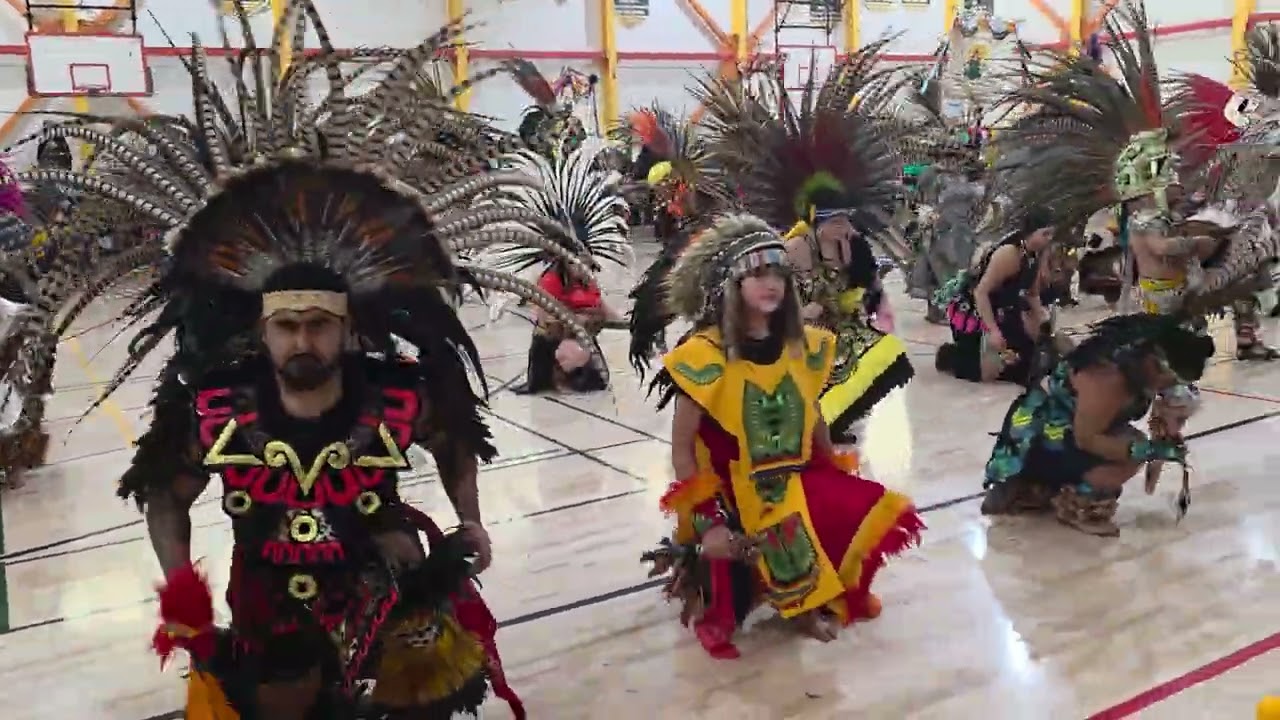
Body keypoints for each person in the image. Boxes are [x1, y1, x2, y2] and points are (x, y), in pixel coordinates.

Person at [31, 5, 614, 717]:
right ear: (262, 331)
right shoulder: (215, 410)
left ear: (347, 330)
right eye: (287, 327)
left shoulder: (399, 398)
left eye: (318, 326)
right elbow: (166, 495)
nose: (302, 340)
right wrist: (180, 588)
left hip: (385, 600)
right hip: (267, 621)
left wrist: (471, 519)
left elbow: (455, 442)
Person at [642, 213, 923, 658]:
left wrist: (834, 465)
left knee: (860, 503)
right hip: (735, 489)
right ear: (732, 285)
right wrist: (709, 523)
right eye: (757, 274)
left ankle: (815, 591)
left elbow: (813, 413)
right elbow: (682, 452)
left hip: (792, 473)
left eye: (778, 274)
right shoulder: (703, 356)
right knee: (777, 524)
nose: (770, 283)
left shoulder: (804, 345)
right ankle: (793, 601)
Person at [982, 314, 1214, 536]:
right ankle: (1076, 506)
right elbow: (1087, 439)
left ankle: (1049, 487)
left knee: (1131, 443)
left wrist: (1167, 434)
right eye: (1172, 380)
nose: (1172, 387)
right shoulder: (1107, 379)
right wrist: (1149, 451)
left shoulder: (1142, 363)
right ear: (1155, 365)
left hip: (1071, 426)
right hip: (1038, 436)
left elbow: (1167, 417)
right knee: (1132, 447)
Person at [482, 143, 628, 394]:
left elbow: (603, 307)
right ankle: (553, 373)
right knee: (568, 352)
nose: (583, 266)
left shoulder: (587, 279)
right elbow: (545, 319)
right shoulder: (549, 280)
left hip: (581, 335)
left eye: (586, 260)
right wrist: (581, 322)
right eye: (576, 261)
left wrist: (625, 322)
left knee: (596, 384)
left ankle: (573, 368)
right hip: (554, 339)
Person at [935, 206, 1055, 384]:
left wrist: (1042, 319)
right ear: (1030, 232)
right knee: (978, 373)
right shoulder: (1009, 254)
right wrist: (993, 330)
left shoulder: (1035, 254)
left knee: (1027, 365)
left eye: (1051, 234)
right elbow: (980, 292)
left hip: (1004, 309)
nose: (1049, 239)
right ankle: (951, 354)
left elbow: (1032, 293)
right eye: (1045, 234)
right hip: (976, 310)